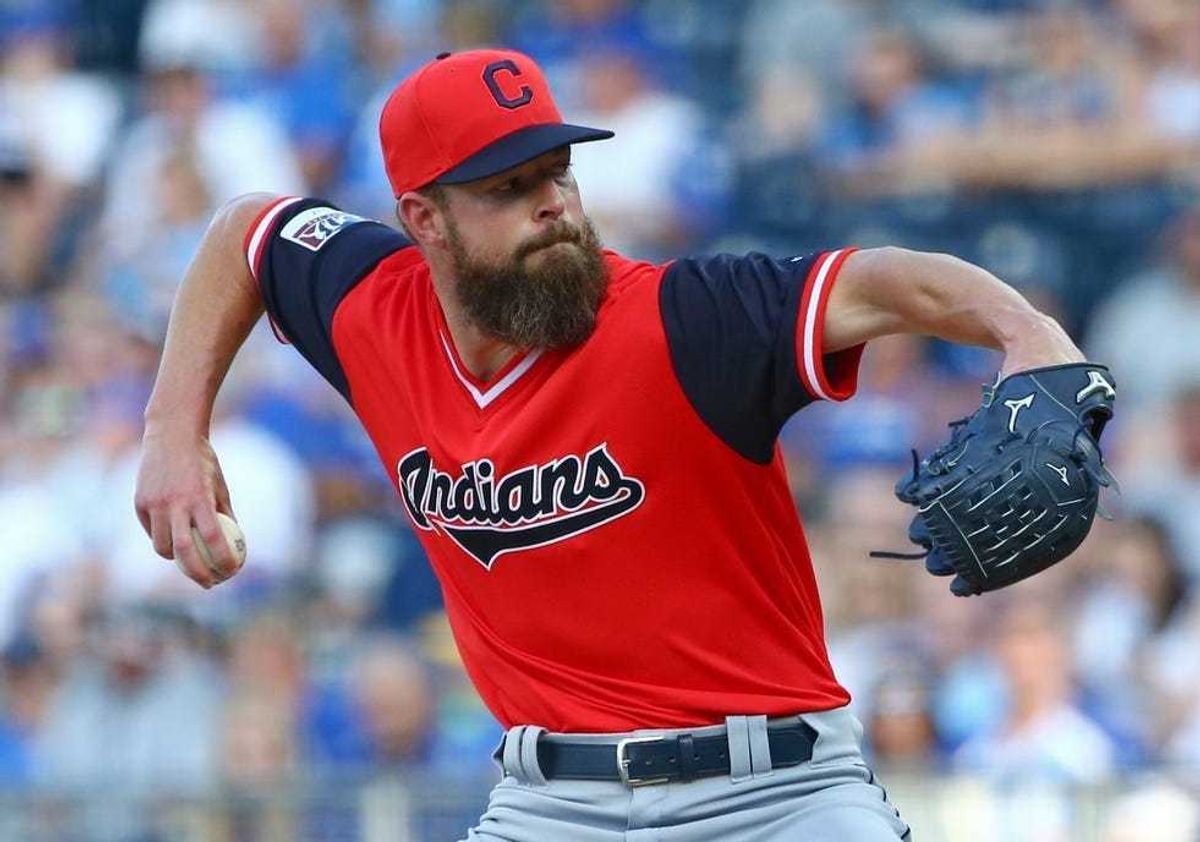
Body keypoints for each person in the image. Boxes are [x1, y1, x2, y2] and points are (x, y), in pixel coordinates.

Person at [134, 48, 1087, 841]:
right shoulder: (370, 310)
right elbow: (243, 235)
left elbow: (883, 281)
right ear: (423, 220)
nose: (553, 203)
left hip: (777, 794)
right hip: (551, 804)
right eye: (510, 187)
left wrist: (1029, 333)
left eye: (559, 171)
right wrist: (173, 428)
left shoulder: (680, 321)